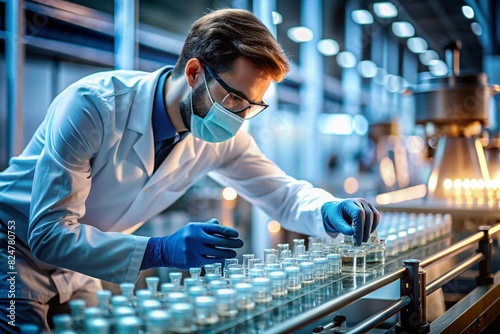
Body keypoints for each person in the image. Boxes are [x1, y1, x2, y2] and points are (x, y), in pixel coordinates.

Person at [0, 8, 379, 331]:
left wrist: (328, 210)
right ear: (194, 72)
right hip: (15, 250)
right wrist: (161, 250)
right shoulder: (94, 106)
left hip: (80, 267)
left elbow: (282, 193)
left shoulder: (217, 136)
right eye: (233, 98)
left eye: (252, 106)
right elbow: (48, 233)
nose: (239, 117)